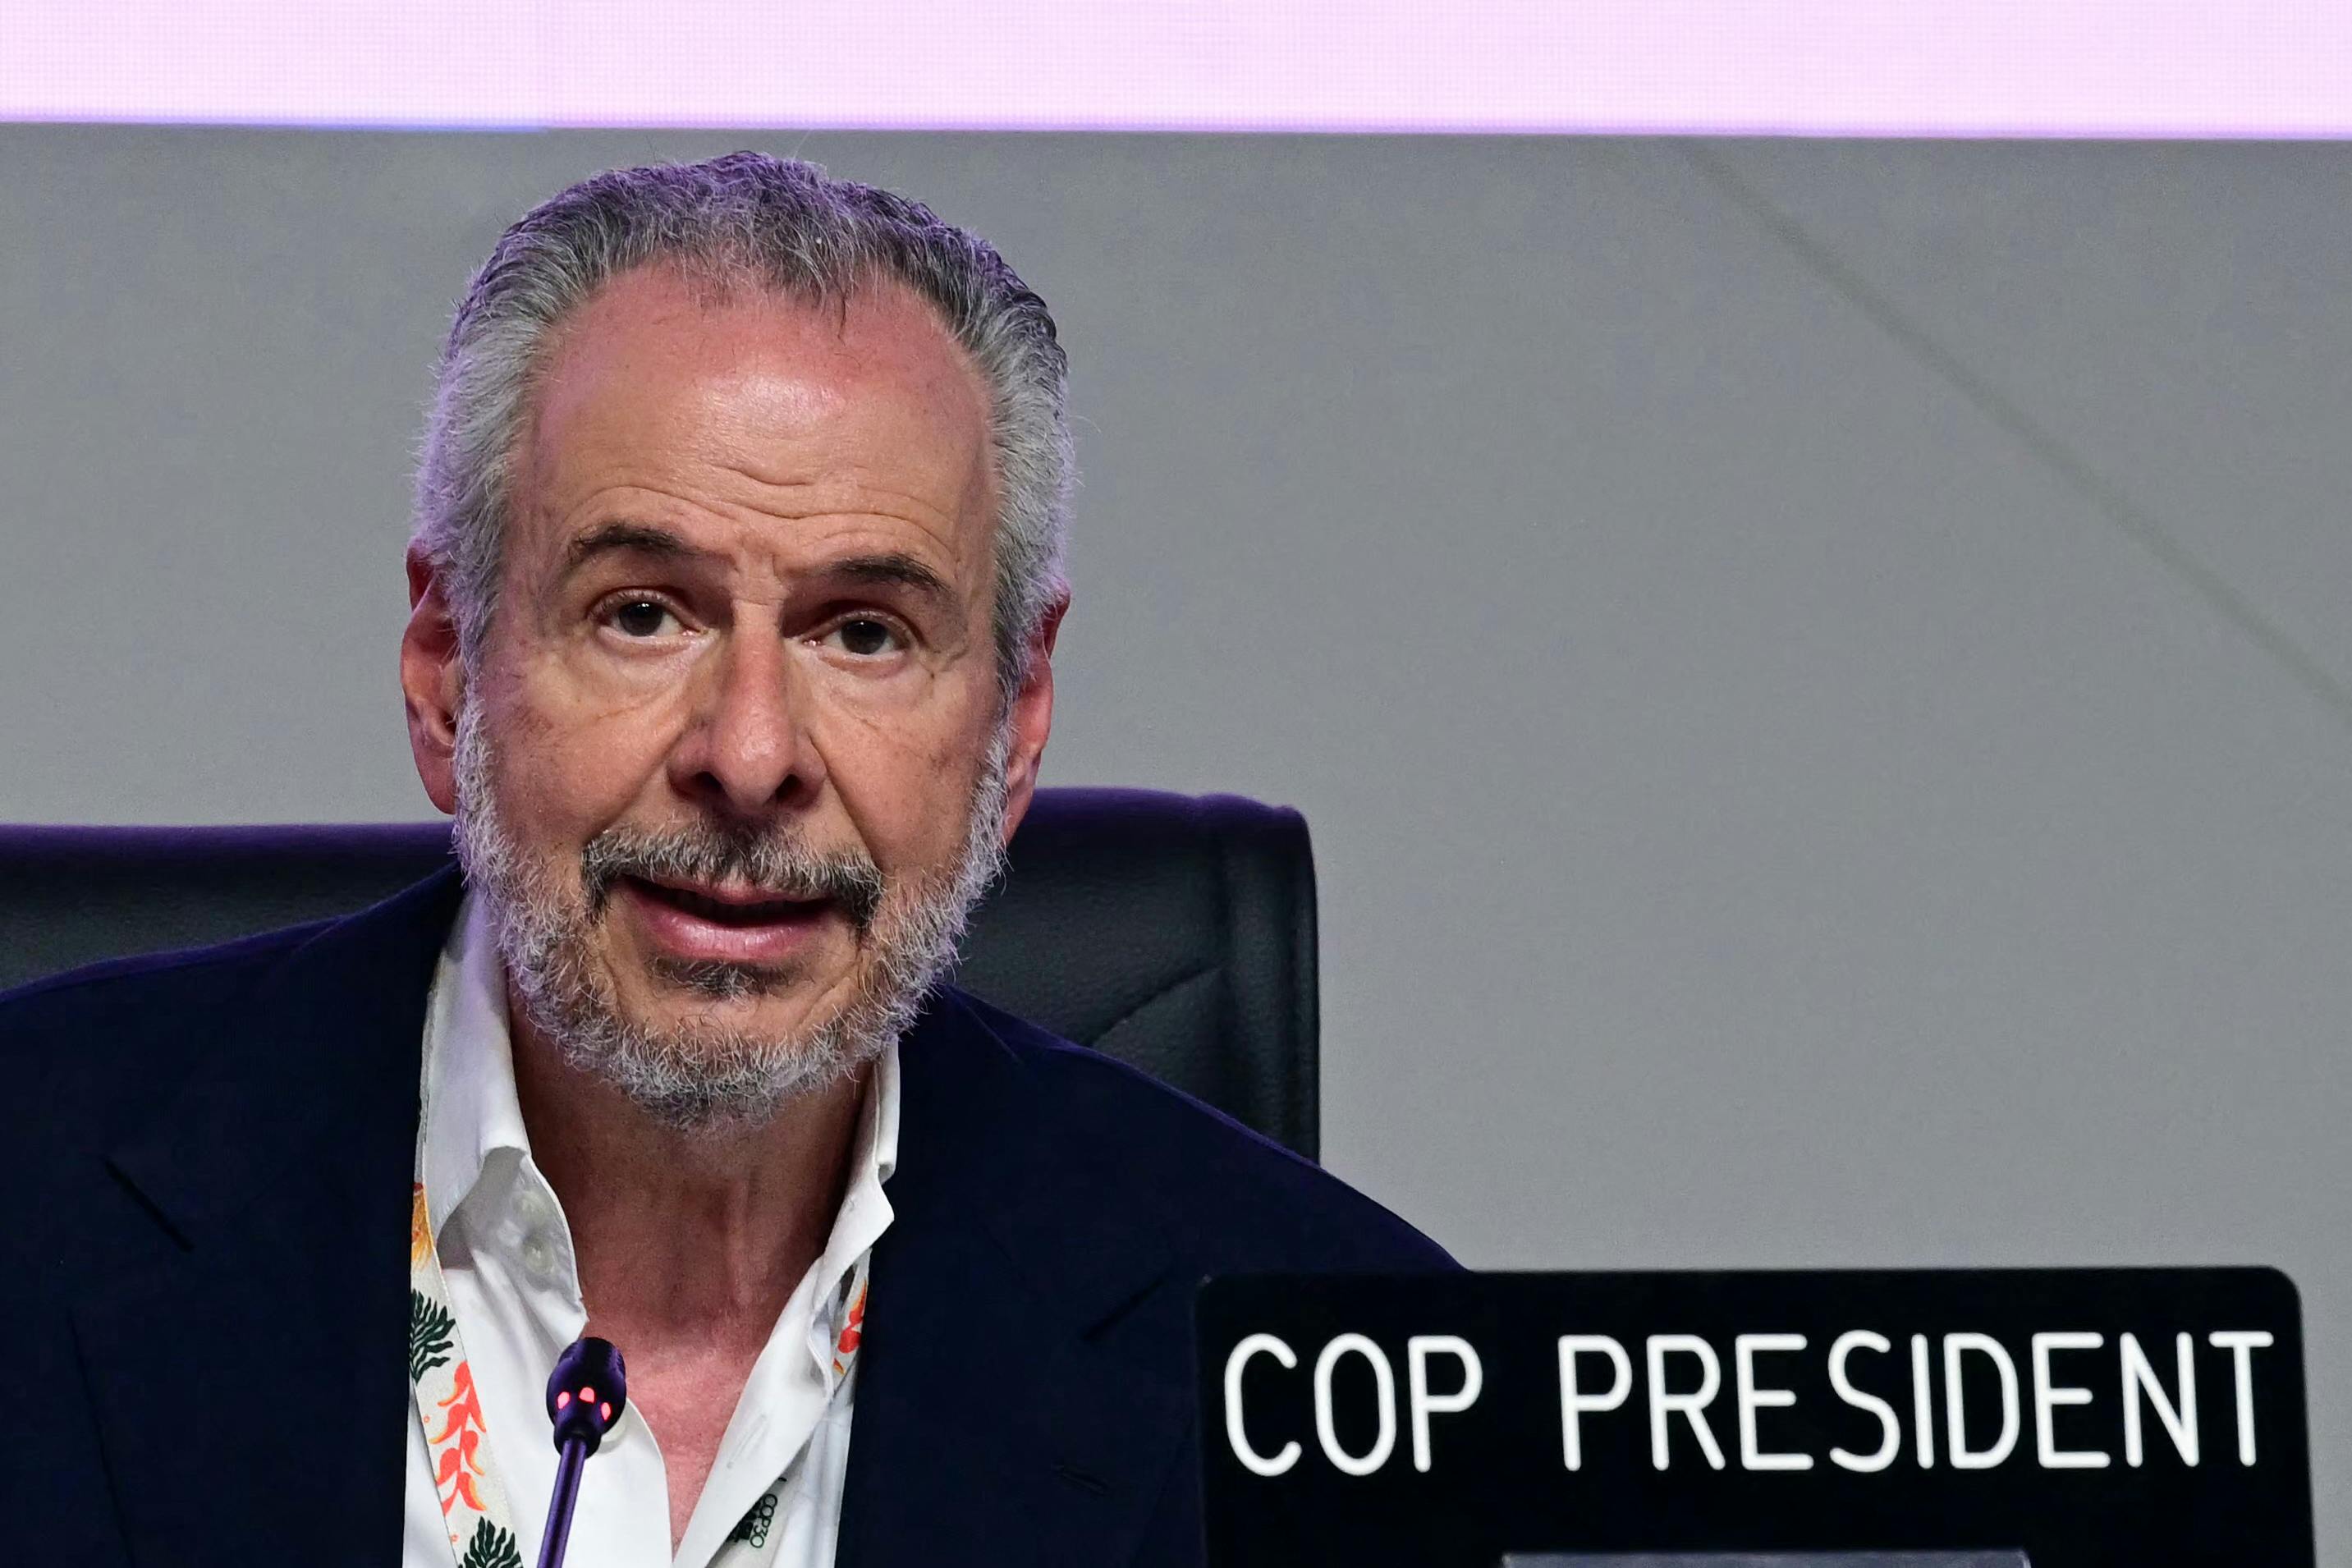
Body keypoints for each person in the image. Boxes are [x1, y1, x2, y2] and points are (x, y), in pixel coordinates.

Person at [0, 152, 1449, 1566]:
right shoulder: (31, 1200)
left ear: (1013, 726)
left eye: (863, 631)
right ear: (448, 671)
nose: (750, 754)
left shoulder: (1336, 1355)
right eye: (644, 612)